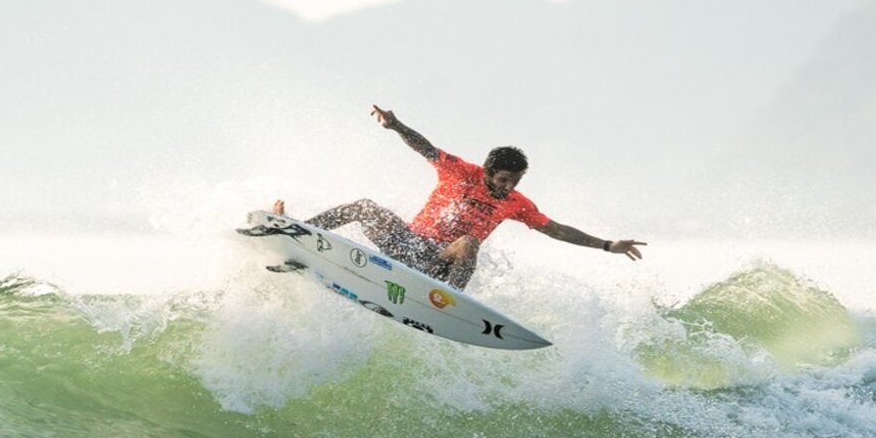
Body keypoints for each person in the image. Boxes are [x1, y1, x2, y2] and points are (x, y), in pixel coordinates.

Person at [274, 104, 646, 289]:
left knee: (467, 242)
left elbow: (556, 230)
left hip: (439, 264)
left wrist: (606, 244)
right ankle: (297, 234)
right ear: (487, 170)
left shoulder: (517, 204)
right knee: (364, 207)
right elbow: (425, 147)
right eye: (504, 179)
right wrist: (396, 125)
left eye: (515, 181)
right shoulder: (460, 170)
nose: (509, 187)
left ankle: (447, 301)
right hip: (407, 244)